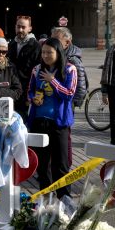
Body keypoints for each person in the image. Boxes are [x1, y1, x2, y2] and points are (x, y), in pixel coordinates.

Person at [27, 38, 77, 199]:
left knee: (61, 164)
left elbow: (69, 94)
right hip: (39, 122)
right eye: (43, 52)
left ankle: (64, 199)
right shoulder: (36, 69)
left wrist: (52, 81)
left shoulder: (69, 69)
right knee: (42, 166)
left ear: (58, 53)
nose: (46, 55)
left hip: (59, 123)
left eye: (50, 52)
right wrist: (33, 98)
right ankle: (45, 199)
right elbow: (30, 91)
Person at [51, 26, 88, 167]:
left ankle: (66, 164)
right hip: (56, 101)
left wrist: (73, 104)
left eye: (56, 39)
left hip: (67, 102)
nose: (52, 42)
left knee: (65, 135)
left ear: (67, 42)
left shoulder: (73, 59)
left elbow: (81, 85)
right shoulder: (56, 54)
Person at [7, 15, 41, 119]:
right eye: (18, 27)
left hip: (26, 93)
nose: (20, 30)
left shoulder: (36, 46)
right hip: (11, 91)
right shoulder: (11, 44)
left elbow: (38, 72)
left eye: (23, 27)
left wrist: (32, 94)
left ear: (30, 28)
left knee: (24, 122)